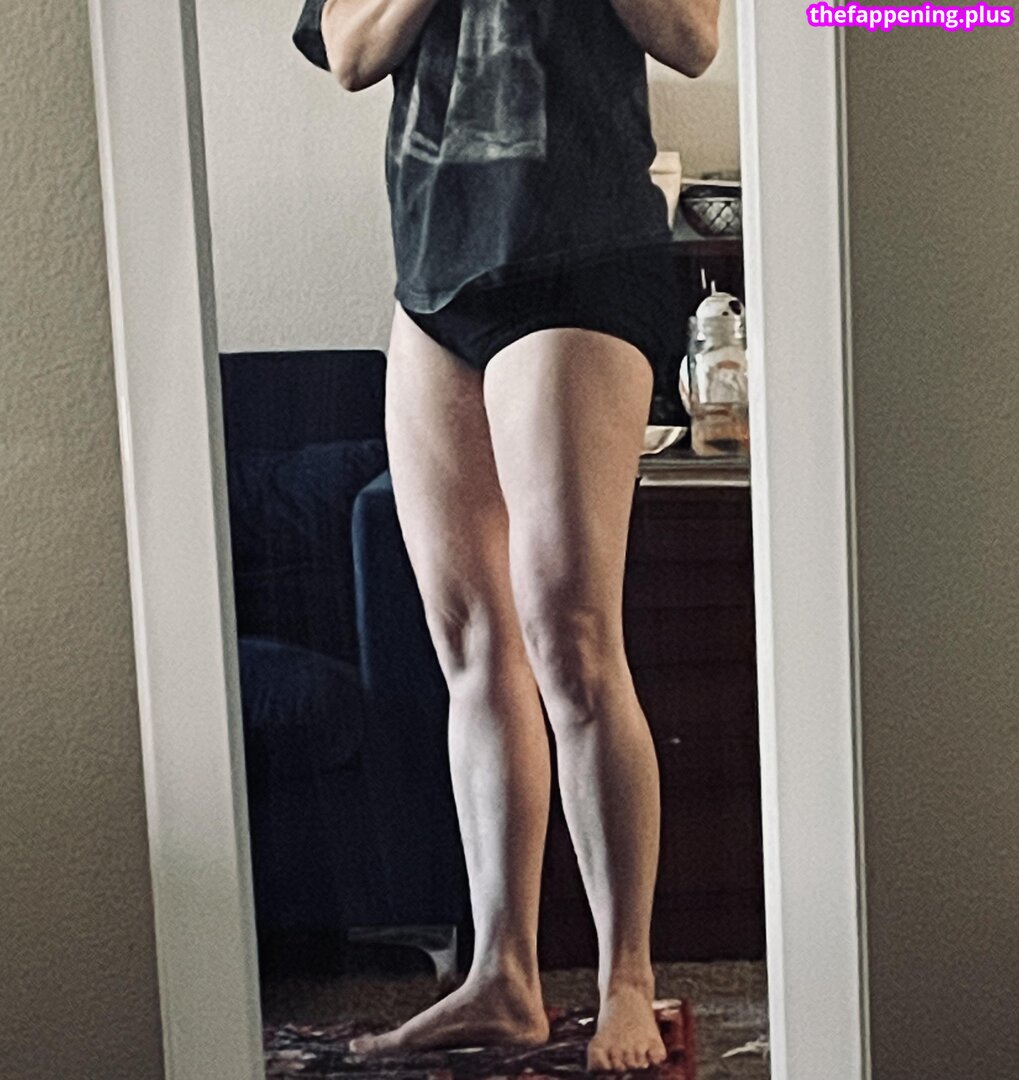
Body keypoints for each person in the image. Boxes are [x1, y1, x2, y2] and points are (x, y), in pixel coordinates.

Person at [292, 0, 720, 1071]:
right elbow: (350, 53)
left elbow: (690, 39)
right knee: (473, 647)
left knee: (571, 638)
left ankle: (626, 980)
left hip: (580, 257)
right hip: (433, 271)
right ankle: (502, 977)